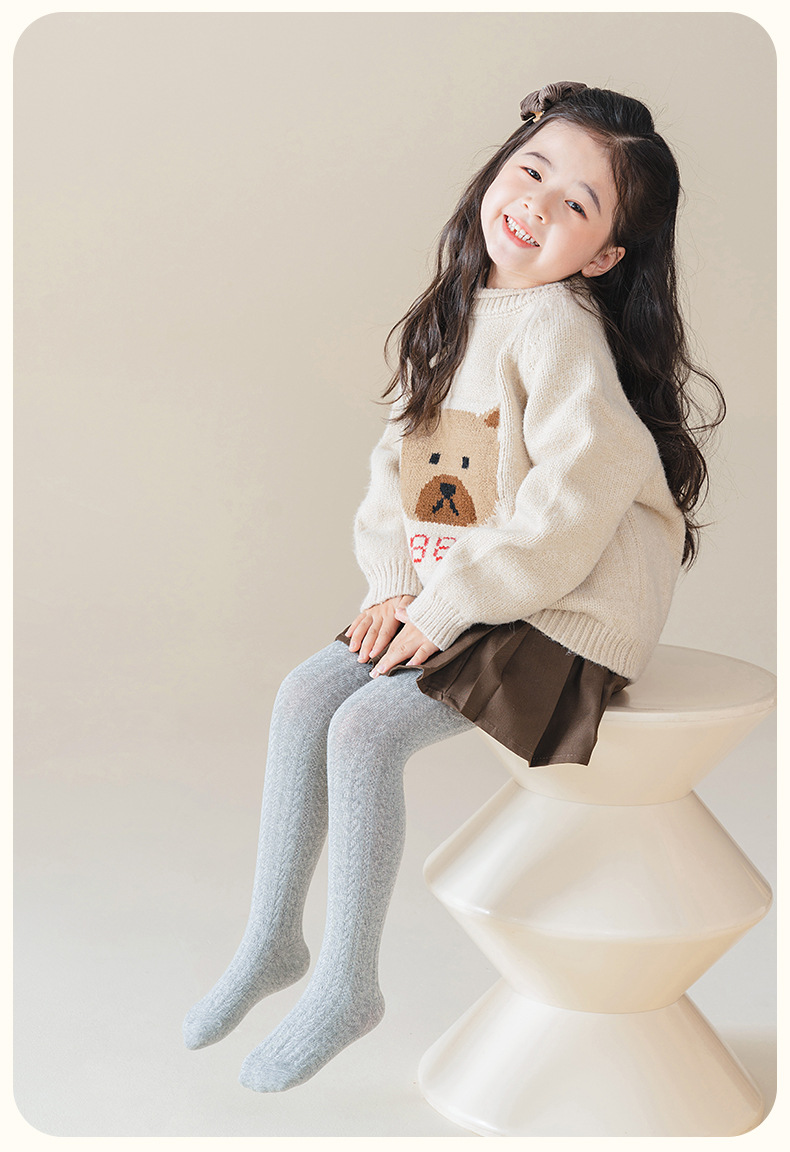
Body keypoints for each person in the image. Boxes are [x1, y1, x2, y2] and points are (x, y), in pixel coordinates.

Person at [182, 81, 725, 1092]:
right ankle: (272, 940)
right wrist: (395, 585)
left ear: (603, 256)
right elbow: (404, 469)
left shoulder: (557, 330)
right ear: (495, 171)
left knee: (365, 731)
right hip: (483, 585)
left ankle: (348, 983)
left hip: (571, 607)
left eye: (577, 204)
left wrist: (446, 605)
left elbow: (570, 509)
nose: (537, 204)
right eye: (532, 171)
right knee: (304, 695)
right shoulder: (461, 312)